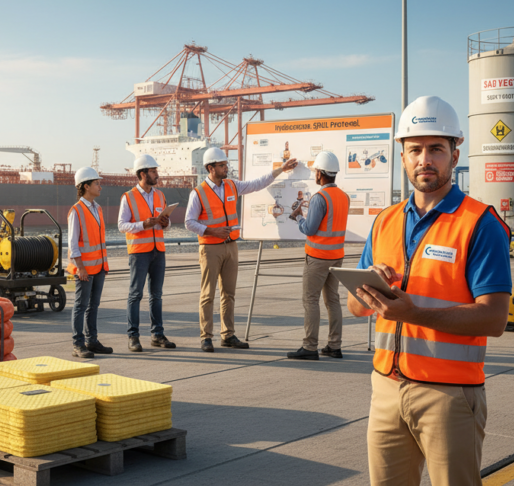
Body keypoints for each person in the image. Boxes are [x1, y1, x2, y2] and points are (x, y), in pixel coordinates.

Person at [348, 95, 511, 486]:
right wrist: (369, 286)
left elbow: (495, 317)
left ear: (455, 155)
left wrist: (414, 314)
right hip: (386, 388)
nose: (426, 159)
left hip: (449, 395)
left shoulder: (480, 223)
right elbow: (356, 308)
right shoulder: (385, 222)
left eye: (436, 149)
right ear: (402, 157)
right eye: (415, 149)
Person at [185, 147, 299, 352]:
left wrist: (280, 169)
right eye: (221, 165)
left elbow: (257, 184)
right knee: (207, 294)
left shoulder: (232, 186)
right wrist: (211, 231)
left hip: (231, 247)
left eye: (225, 164)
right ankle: (206, 337)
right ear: (210, 168)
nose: (225, 167)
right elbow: (189, 222)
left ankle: (227, 335)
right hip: (210, 248)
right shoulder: (198, 193)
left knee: (229, 293)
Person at [286, 151, 348, 360]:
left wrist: (299, 218)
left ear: (320, 173)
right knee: (333, 301)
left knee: (310, 300)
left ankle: (310, 347)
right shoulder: (343, 196)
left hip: (318, 258)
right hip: (336, 256)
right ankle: (334, 345)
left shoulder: (320, 198)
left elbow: (310, 229)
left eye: (316, 172)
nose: (315, 174)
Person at [118, 154, 176, 352]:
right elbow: (121, 225)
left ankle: (157, 335)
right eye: (153, 171)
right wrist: (143, 224)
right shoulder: (128, 197)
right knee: (135, 295)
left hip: (158, 251)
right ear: (142, 174)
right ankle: (133, 337)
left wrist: (166, 223)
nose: (157, 174)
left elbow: (165, 226)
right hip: (139, 252)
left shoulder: (160, 195)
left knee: (156, 295)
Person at [67, 166, 112, 359]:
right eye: (96, 183)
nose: (100, 187)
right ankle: (78, 344)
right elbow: (72, 243)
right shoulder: (76, 211)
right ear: (86, 186)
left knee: (94, 305)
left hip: (99, 267)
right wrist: (81, 268)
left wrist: (102, 265)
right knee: (80, 306)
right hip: (85, 269)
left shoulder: (98, 208)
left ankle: (91, 341)